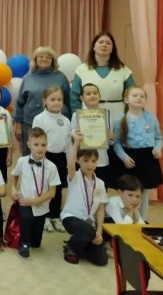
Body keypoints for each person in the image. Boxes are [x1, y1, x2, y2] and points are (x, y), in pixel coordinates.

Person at [113, 86, 163, 220]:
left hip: (147, 158)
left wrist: (158, 149)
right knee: (128, 191)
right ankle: (126, 219)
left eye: (142, 96)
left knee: (143, 191)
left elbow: (158, 138)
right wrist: (124, 157)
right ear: (126, 99)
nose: (139, 98)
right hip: (130, 159)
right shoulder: (120, 119)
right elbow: (116, 143)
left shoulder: (151, 118)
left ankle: (141, 219)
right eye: (135, 95)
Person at [11, 128, 61, 260]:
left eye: (43, 145)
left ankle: (30, 240)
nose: (40, 148)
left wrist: (34, 201)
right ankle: (24, 244)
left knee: (36, 243)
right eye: (36, 144)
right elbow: (14, 175)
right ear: (29, 145)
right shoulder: (22, 161)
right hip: (24, 202)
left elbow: (52, 193)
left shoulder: (52, 167)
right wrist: (13, 189)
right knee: (26, 218)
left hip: (41, 206)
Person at [60, 134, 108, 266]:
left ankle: (80, 243)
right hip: (71, 218)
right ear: (78, 160)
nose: (90, 164)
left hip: (88, 224)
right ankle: (71, 247)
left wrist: (99, 231)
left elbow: (100, 209)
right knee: (88, 231)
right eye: (85, 160)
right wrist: (76, 143)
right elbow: (70, 165)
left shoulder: (100, 183)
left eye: (93, 161)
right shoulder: (75, 177)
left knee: (101, 260)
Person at [14, 47, 71, 155]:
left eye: (48, 57)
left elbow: (69, 101)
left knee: (57, 156)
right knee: (32, 156)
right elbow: (20, 102)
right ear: (35, 59)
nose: (44, 59)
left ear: (53, 60)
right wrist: (18, 125)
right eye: (40, 57)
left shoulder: (61, 77)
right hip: (30, 124)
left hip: (58, 124)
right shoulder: (28, 77)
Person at [71, 31, 135, 122]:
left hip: (118, 116)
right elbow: (74, 98)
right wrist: (78, 118)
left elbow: (133, 94)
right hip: (89, 117)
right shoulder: (81, 70)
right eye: (100, 42)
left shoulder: (123, 70)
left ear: (112, 48)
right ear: (93, 46)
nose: (104, 45)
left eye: (108, 43)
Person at [32, 85, 71, 233]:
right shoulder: (39, 119)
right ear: (45, 101)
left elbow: (68, 143)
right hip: (45, 157)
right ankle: (45, 216)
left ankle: (55, 215)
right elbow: (36, 140)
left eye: (59, 99)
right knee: (44, 188)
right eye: (52, 99)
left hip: (61, 158)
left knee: (58, 188)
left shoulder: (66, 121)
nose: (56, 102)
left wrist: (68, 161)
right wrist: (38, 157)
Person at [70, 83, 116, 188]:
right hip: (84, 161)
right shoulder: (76, 116)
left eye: (95, 93)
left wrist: (112, 137)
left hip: (102, 160)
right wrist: (75, 135)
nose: (92, 95)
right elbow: (72, 135)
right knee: (84, 191)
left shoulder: (107, 115)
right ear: (82, 98)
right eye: (88, 94)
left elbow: (110, 141)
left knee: (101, 191)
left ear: (100, 96)